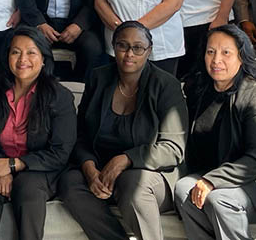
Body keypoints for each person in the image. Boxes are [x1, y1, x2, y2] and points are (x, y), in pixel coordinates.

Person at [58, 21, 188, 240]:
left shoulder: (166, 85)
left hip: (153, 174)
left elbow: (173, 149)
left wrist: (125, 159)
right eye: (122, 46)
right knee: (70, 183)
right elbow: (80, 136)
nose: (129, 54)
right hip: (101, 170)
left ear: (149, 50)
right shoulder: (98, 78)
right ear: (113, 47)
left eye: (138, 47)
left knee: (132, 183)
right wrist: (89, 169)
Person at [174, 25, 256, 240]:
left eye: (226, 52)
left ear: (241, 57)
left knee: (220, 199)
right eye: (211, 52)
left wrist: (212, 181)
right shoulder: (198, 89)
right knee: (183, 189)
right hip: (216, 172)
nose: (216, 59)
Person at [0, 26, 77, 240]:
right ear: (7, 56)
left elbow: (60, 152)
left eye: (31, 52)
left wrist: (13, 165)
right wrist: (1, 167)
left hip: (42, 169)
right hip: (0, 163)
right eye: (15, 52)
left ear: (44, 58)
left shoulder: (60, 96)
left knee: (27, 188)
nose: (22, 59)